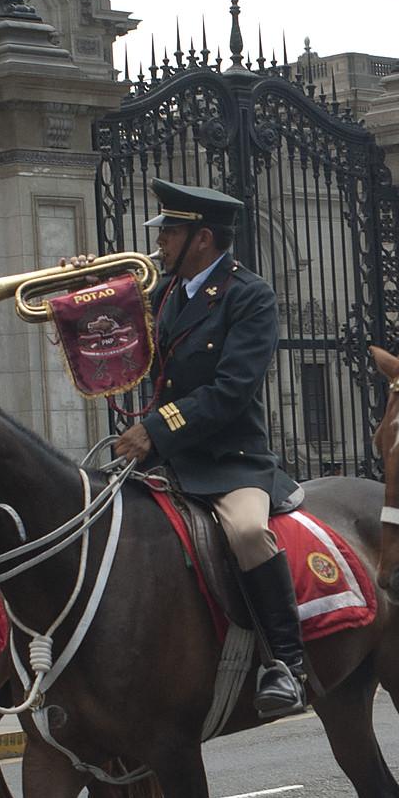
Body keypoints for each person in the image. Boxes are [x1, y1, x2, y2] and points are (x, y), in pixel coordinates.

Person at [114, 179, 307, 719]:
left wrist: (155, 428)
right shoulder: (164, 294)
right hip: (165, 459)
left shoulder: (250, 295)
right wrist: (82, 296)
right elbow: (112, 346)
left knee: (248, 534)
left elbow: (232, 390)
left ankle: (286, 664)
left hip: (229, 460)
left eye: (170, 232)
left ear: (202, 239)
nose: (161, 243)